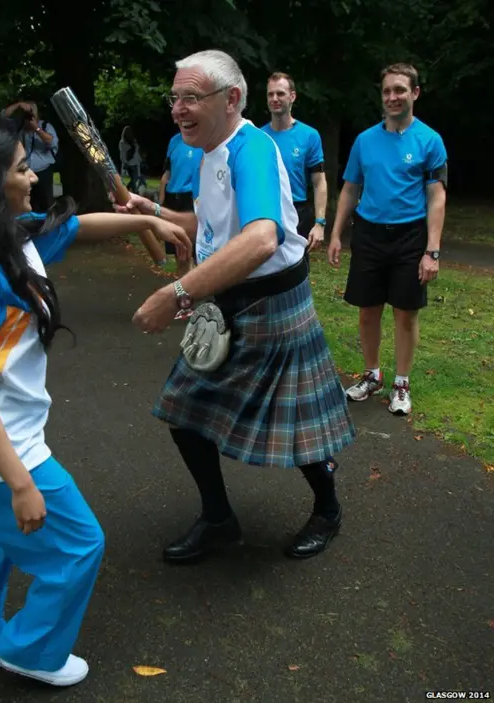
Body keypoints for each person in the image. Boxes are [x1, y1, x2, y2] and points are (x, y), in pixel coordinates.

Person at [0, 116, 189, 686]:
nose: (33, 177)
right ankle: (32, 650)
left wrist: (147, 219)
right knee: (78, 546)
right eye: (22, 169)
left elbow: (74, 226)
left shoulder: (6, 234)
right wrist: (20, 483)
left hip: (1, 440)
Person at [115, 50, 355, 563]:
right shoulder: (208, 151)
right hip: (229, 305)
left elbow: (261, 239)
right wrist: (153, 211)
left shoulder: (252, 150)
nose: (178, 108)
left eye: (190, 97)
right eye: (174, 97)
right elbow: (212, 228)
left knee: (297, 426)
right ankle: (220, 520)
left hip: (275, 306)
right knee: (185, 411)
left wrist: (176, 293)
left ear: (232, 99)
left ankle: (329, 510)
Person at [328, 63, 447, 416]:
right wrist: (336, 232)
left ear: (414, 93)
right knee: (368, 311)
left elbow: (436, 197)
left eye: (399, 90)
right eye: (387, 91)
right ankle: (373, 375)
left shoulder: (429, 140)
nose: (392, 97)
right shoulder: (365, 141)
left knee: (406, 314)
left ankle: (401, 383)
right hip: (369, 233)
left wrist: (432, 251)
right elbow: (350, 188)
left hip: (410, 235)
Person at [260, 72, 328, 259]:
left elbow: (319, 181)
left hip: (299, 213)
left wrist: (319, 223)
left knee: (297, 272)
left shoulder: (309, 136)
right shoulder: (258, 138)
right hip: (267, 210)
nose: (274, 99)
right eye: (270, 94)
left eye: (280, 94)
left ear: (292, 96)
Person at [159, 131, 204, 278]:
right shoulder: (174, 140)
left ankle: (202, 288)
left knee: (198, 251)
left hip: (193, 197)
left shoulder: (204, 138)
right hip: (172, 198)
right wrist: (161, 203)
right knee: (180, 250)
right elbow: (167, 173)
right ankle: (183, 292)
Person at [4, 101, 59, 213]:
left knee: (49, 201)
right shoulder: (19, 129)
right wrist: (18, 105)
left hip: (46, 171)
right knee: (30, 202)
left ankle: (51, 224)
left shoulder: (45, 126)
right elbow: (4, 117)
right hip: (26, 171)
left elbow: (52, 142)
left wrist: (36, 129)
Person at [119, 126, 147, 193]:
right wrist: (125, 163)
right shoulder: (122, 142)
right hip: (130, 164)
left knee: (135, 179)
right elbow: (123, 154)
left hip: (135, 163)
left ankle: (131, 190)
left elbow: (137, 152)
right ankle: (132, 191)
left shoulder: (133, 141)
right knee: (135, 179)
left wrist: (141, 161)